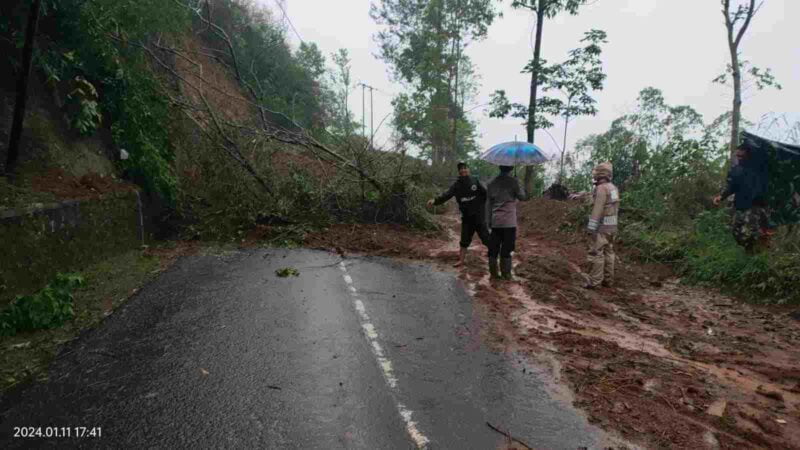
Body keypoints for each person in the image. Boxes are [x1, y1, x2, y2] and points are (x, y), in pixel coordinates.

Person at [427, 162, 490, 267]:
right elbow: (446, 195)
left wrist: (483, 203)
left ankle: (495, 257)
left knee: (486, 238)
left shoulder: (475, 181)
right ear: (459, 171)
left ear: (468, 169)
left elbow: (486, 194)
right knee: (464, 240)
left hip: (479, 217)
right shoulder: (456, 185)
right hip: (466, 218)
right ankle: (461, 261)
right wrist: (434, 201)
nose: (463, 170)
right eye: (461, 169)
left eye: (465, 168)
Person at [713, 144, 770, 253]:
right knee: (736, 231)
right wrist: (721, 196)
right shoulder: (735, 170)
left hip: (756, 206)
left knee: (749, 232)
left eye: (742, 153)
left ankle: (756, 253)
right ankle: (752, 249)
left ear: (748, 154)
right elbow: (731, 186)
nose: (739, 156)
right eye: (737, 154)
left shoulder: (759, 167)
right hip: (740, 205)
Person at [486, 165, 527, 280]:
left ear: (500, 167)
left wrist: (488, 220)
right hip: (509, 222)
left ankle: (493, 273)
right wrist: (519, 183)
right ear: (510, 169)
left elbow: (488, 204)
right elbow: (523, 197)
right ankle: (506, 274)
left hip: (496, 221)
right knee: (507, 248)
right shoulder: (513, 182)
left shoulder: (491, 183)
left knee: (493, 247)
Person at [585, 162, 619, 289]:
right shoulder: (613, 188)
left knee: (597, 252)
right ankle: (608, 280)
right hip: (612, 226)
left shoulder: (601, 189)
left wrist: (591, 228)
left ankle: (595, 282)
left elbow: (597, 210)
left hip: (601, 227)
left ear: (599, 174)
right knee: (609, 252)